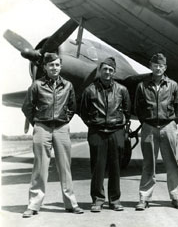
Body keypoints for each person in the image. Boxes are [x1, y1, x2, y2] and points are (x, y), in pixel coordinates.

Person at [21, 52, 83, 218]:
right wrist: (38, 123)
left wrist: (63, 119)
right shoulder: (37, 85)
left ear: (60, 66)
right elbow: (27, 106)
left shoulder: (68, 85)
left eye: (57, 65)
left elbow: (72, 106)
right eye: (51, 65)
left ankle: (71, 204)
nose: (54, 68)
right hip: (42, 128)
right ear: (45, 67)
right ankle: (33, 205)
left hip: (61, 128)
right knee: (40, 167)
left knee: (65, 167)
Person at [134, 53, 178, 210]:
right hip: (149, 127)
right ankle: (144, 198)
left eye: (161, 66)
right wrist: (147, 122)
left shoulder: (173, 85)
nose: (158, 68)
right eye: (155, 65)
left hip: (167, 127)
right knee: (148, 164)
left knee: (172, 163)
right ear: (150, 66)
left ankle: (176, 197)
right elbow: (138, 107)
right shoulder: (142, 86)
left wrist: (171, 121)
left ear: (165, 68)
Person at [80, 57, 131, 212]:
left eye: (110, 69)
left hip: (116, 132)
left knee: (116, 167)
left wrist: (119, 126)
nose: (107, 72)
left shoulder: (122, 90)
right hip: (97, 132)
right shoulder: (89, 90)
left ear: (114, 72)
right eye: (105, 69)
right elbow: (83, 112)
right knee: (97, 167)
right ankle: (97, 200)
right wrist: (95, 124)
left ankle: (115, 200)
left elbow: (127, 112)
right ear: (99, 71)